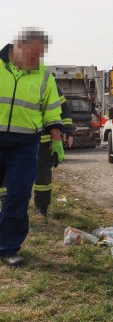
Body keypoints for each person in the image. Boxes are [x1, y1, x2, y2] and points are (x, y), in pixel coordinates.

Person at [0, 29, 64, 266]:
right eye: (33, 53)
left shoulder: (44, 77)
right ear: (17, 47)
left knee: (18, 195)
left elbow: (52, 110)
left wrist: (56, 140)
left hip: (25, 144)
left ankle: (8, 248)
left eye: (40, 54)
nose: (36, 59)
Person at [33, 84, 73, 217]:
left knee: (43, 176)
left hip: (43, 140)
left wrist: (67, 130)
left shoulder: (44, 79)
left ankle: (41, 208)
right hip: (15, 139)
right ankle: (9, 206)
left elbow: (62, 108)